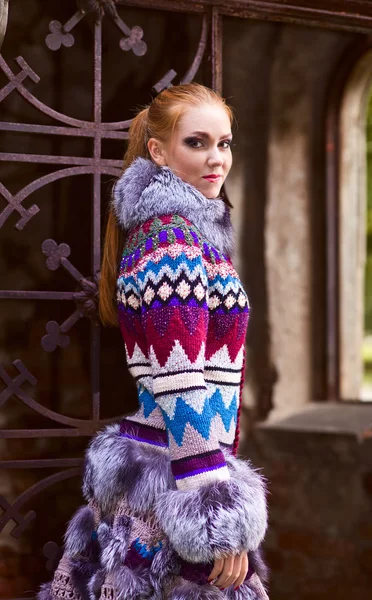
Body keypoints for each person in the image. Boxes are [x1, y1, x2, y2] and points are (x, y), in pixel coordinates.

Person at [39, 82, 269, 600]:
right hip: (177, 483)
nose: (216, 159)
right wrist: (219, 517)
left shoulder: (192, 237)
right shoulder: (171, 243)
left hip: (178, 470)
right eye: (197, 142)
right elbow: (181, 381)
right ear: (158, 151)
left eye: (225, 143)